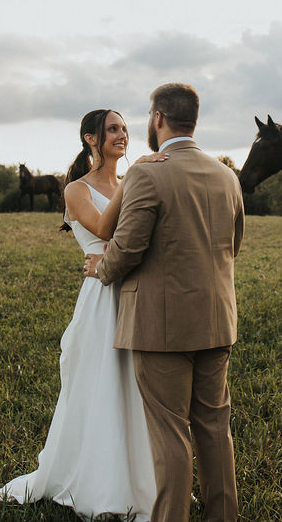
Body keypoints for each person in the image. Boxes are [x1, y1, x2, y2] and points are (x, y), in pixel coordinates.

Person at [0, 108, 167, 520]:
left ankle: (142, 477)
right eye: (112, 130)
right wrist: (138, 175)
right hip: (101, 296)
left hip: (134, 289)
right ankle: (98, 480)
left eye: (124, 128)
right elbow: (104, 229)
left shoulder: (129, 182)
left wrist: (135, 179)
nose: (122, 135)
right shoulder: (76, 189)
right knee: (101, 380)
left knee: (137, 384)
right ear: (90, 138)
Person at [84, 84, 245, 522]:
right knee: (215, 428)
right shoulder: (227, 175)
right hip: (217, 321)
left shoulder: (146, 173)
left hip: (160, 327)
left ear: (157, 119)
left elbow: (128, 247)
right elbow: (234, 244)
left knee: (171, 435)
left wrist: (99, 268)